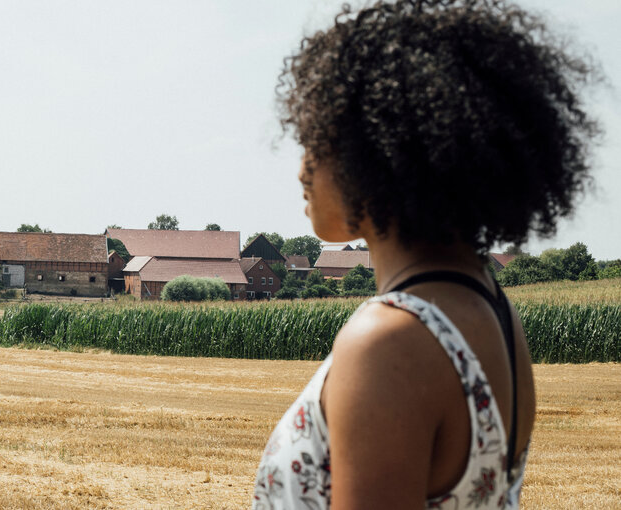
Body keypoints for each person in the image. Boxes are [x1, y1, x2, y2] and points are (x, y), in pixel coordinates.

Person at [253, 0, 600, 508]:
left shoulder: (388, 342)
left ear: (379, 151)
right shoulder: (495, 310)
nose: (302, 165)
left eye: (319, 137)